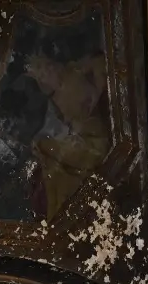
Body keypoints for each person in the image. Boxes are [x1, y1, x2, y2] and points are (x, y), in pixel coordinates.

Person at [25, 53, 109, 221]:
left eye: (43, 64)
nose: (46, 70)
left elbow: (101, 68)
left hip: (100, 126)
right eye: (41, 75)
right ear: (42, 84)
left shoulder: (76, 68)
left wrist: (97, 97)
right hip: (85, 135)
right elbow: (66, 127)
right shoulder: (56, 103)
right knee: (51, 165)